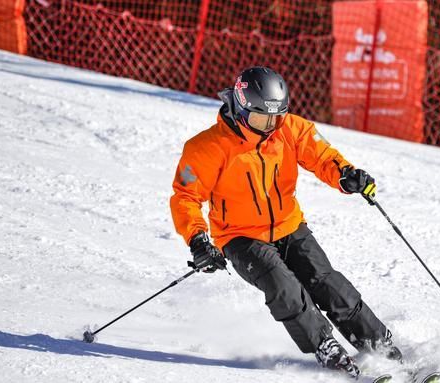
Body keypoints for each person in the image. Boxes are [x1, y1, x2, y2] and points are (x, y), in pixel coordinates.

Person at [170, 66, 402, 379]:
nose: (269, 127)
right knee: (284, 287)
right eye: (260, 119)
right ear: (240, 107)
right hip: (240, 238)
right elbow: (185, 197)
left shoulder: (289, 129)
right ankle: (325, 347)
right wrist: (198, 240)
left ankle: (377, 341)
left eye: (276, 118)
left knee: (327, 282)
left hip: (289, 226)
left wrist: (345, 174)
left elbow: (322, 155)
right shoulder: (206, 148)